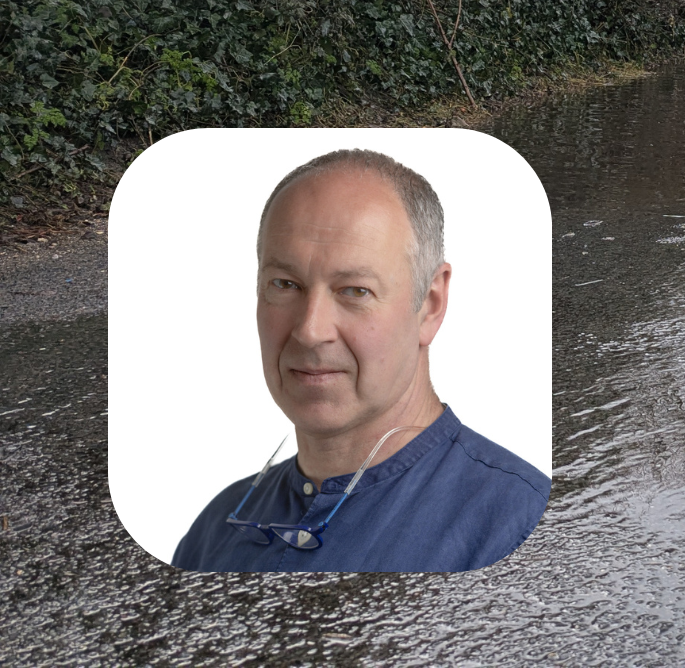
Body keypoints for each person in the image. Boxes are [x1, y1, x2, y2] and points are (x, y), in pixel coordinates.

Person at [172, 149, 549, 572]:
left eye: (355, 290)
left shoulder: (521, 528)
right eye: (285, 284)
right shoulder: (212, 533)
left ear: (430, 304)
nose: (310, 330)